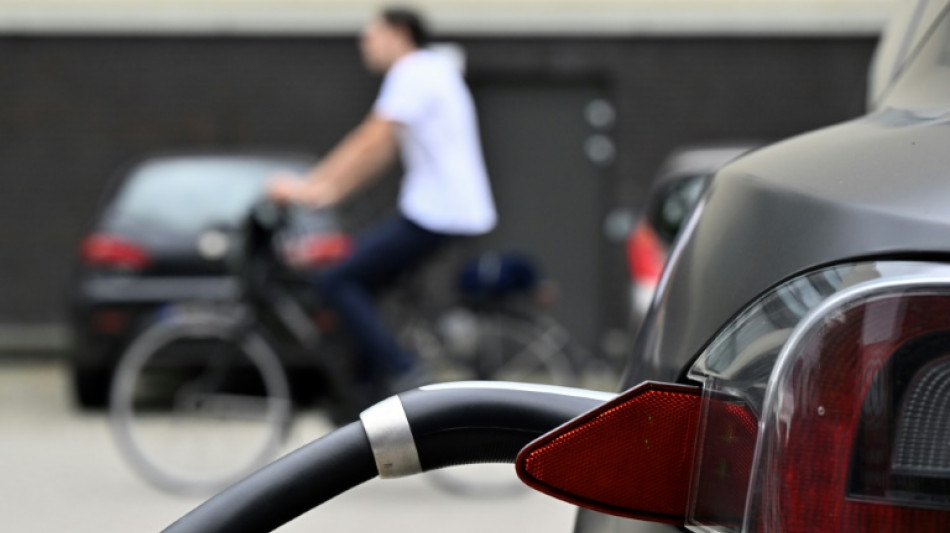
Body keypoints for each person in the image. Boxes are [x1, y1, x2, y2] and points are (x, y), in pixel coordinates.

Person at [267, 7, 496, 395]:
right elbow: (381, 152)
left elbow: (371, 138)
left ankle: (405, 370)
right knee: (364, 288)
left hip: (434, 213)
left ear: (399, 33)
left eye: (371, 37)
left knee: (338, 281)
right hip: (450, 211)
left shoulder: (412, 71)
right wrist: (331, 192)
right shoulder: (434, 70)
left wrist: (308, 186)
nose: (365, 46)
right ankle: (366, 394)